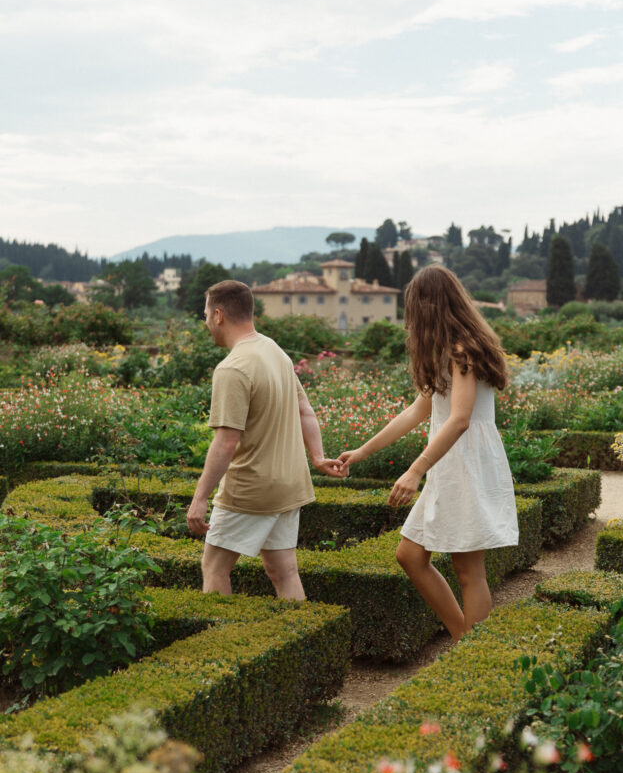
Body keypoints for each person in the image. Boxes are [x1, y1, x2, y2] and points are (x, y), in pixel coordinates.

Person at [338, 264, 518, 644]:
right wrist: (363, 451)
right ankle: (464, 640)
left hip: (464, 461)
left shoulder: (463, 350)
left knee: (469, 571)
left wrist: (414, 470)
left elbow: (460, 420)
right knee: (411, 556)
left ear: (427, 305)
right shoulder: (448, 350)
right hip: (452, 462)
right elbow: (418, 411)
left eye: (412, 305)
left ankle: (475, 654)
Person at [186, 279, 344, 599]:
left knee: (215, 567)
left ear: (218, 315)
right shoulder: (274, 350)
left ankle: (222, 644)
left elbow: (227, 442)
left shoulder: (232, 368)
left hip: (251, 487)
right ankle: (300, 642)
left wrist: (200, 496)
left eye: (205, 315)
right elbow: (305, 410)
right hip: (290, 484)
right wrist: (317, 457)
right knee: (283, 571)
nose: (205, 323)